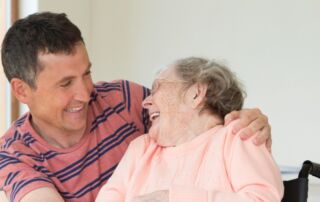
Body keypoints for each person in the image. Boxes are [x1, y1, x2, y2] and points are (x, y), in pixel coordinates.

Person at [0, 12, 271, 202]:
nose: (85, 93)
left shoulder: (123, 100)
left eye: (86, 74)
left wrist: (240, 119)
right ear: (22, 90)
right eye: (66, 83)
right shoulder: (13, 154)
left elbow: (190, 121)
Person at [95, 57, 284, 202]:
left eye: (157, 88)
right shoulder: (141, 148)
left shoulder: (238, 136)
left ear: (196, 93)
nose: (146, 102)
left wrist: (172, 197)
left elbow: (262, 199)